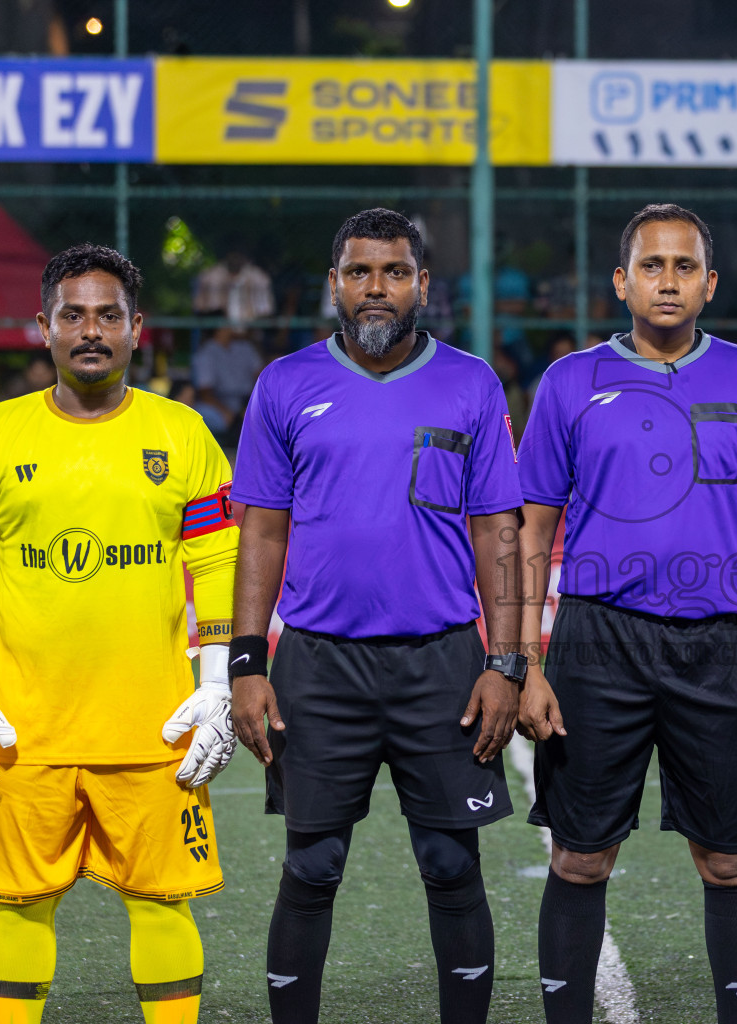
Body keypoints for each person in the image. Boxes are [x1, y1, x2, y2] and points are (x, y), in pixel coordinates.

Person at [517, 203, 737, 1024]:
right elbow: (532, 529)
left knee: (730, 863)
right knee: (580, 860)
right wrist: (525, 663)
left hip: (721, 646)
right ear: (622, 281)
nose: (669, 280)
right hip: (595, 644)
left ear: (710, 284)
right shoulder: (569, 381)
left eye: (686, 267)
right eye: (652, 265)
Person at [0, 244, 240, 1024]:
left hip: (156, 727)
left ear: (139, 329)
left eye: (109, 315)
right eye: (73, 315)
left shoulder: (184, 435)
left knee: (165, 904)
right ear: (43, 328)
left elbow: (219, 558)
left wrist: (219, 682)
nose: (90, 330)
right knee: (18, 905)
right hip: (23, 731)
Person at [228, 208, 524, 1024]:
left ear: (423, 284)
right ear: (334, 284)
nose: (376, 288)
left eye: (394, 272)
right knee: (312, 866)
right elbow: (262, 529)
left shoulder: (471, 382)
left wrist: (508, 663)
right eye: (359, 272)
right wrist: (247, 663)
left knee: (449, 862)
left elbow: (499, 531)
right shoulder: (285, 383)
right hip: (319, 666)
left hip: (442, 664)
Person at [191, 325, 265, 440]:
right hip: (220, 403)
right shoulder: (206, 353)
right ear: (218, 329)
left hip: (249, 400)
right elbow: (205, 394)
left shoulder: (244, 347)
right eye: (227, 324)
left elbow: (263, 376)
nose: (232, 327)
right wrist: (226, 412)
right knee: (203, 414)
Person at [193, 245, 276, 326]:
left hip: (251, 335)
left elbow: (267, 315)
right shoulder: (209, 277)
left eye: (239, 252)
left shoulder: (259, 278)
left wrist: (248, 327)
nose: (235, 257)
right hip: (217, 335)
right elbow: (200, 313)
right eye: (232, 252)